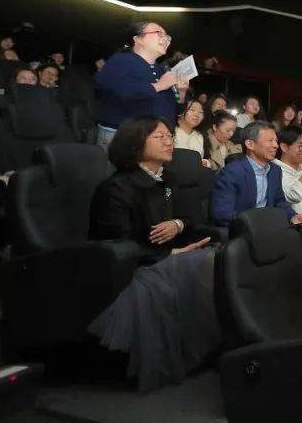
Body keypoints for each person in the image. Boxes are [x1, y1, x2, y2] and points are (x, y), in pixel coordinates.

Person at [88, 116, 216, 391]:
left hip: (169, 256)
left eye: (170, 135)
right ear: (135, 143)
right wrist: (169, 254)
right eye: (160, 137)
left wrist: (177, 224)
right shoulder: (116, 187)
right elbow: (119, 244)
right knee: (191, 269)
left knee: (216, 259)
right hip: (135, 266)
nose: (169, 141)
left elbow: (189, 219)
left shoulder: (168, 181)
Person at [94, 21, 189, 150]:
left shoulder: (162, 69)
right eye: (159, 33)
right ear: (138, 39)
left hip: (156, 139)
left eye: (168, 37)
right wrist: (159, 86)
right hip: (124, 137)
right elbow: (123, 92)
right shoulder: (120, 60)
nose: (166, 39)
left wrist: (181, 93)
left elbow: (175, 110)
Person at [210, 121, 302, 226]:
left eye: (276, 141)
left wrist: (292, 216)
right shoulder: (231, 172)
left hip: (268, 226)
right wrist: (254, 223)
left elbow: (279, 202)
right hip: (242, 228)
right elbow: (222, 212)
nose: (276, 145)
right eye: (270, 141)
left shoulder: (275, 170)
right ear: (250, 144)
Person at [173, 100, 209, 166]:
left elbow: (204, 159)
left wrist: (205, 163)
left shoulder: (200, 136)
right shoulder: (170, 132)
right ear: (180, 111)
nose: (197, 115)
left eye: (201, 112)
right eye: (192, 110)